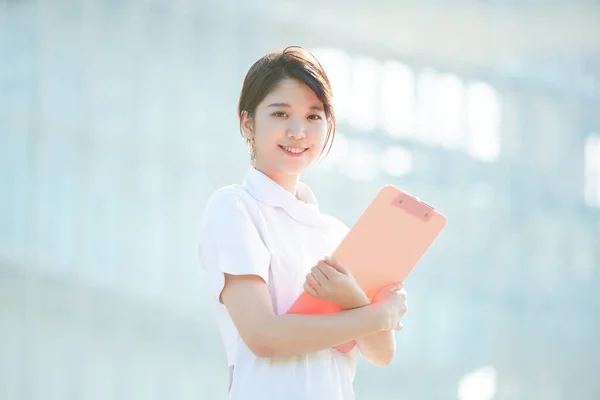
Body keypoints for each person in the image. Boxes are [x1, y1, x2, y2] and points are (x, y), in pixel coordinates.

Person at [197, 46, 408, 400]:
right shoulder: (234, 208)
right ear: (247, 122)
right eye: (280, 114)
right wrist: (378, 315)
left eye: (314, 116)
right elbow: (264, 335)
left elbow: (381, 354)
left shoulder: (336, 234)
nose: (298, 131)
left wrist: (355, 299)